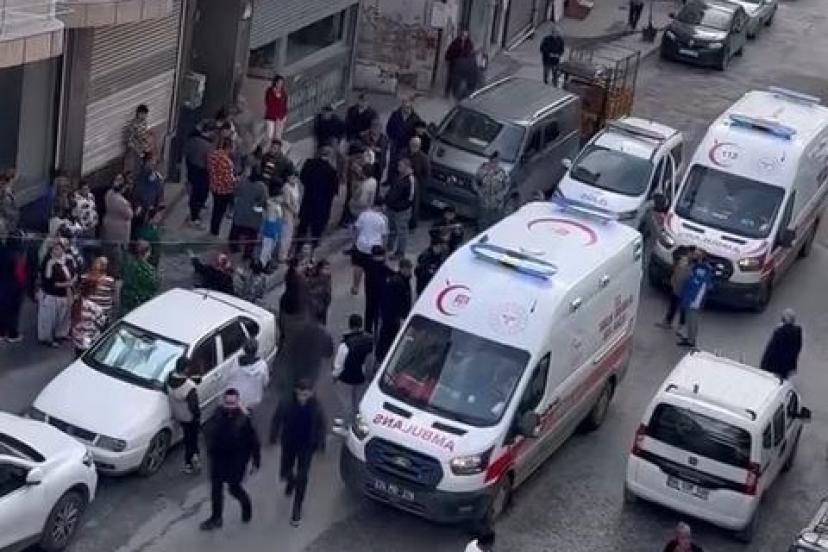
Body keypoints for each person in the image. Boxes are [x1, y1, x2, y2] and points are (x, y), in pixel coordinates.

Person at [200, 389, 260, 531]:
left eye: (233, 403)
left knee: (234, 489)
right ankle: (216, 518)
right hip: (218, 459)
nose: (230, 406)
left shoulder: (244, 420)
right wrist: (210, 448)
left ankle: (246, 508)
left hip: (235, 462)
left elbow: (254, 442)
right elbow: (208, 430)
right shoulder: (218, 413)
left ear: (238, 402)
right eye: (227, 403)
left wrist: (256, 461)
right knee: (216, 490)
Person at [269, 379, 326, 527]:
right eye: (300, 394)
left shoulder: (315, 407)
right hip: (289, 442)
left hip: (306, 446)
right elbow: (277, 418)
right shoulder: (287, 403)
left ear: (311, 393)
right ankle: (291, 481)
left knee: (303, 476)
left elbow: (321, 425)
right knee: (285, 470)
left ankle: (297, 509)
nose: (302, 398)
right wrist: (273, 435)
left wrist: (320, 444)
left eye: (305, 395)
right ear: (296, 392)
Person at [276, 316, 334, 403]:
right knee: (308, 388)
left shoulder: (297, 331)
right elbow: (328, 353)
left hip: (297, 367)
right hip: (312, 368)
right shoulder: (324, 335)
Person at [332, 314, 373, 432]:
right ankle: (350, 421)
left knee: (346, 402)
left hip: (346, 377)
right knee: (356, 401)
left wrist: (334, 376)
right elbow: (368, 359)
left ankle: (346, 427)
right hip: (360, 376)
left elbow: (339, 364)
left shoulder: (346, 344)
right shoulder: (368, 340)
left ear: (350, 325)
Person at [298, 146, 339, 250]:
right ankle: (313, 246)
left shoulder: (309, 164)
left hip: (308, 201)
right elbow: (334, 190)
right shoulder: (331, 171)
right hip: (321, 206)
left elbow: (302, 178)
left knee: (303, 226)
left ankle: (298, 246)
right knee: (316, 229)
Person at [167, 357, 202, 474]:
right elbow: (193, 406)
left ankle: (193, 457)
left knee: (188, 436)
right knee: (191, 439)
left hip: (177, 414)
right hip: (189, 417)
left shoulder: (169, 378)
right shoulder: (189, 387)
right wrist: (197, 415)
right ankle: (191, 460)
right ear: (186, 369)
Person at [37, 242, 74, 347]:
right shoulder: (48, 262)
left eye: (59, 249)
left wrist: (72, 283)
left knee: (63, 317)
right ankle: (47, 338)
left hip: (65, 294)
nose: (57, 251)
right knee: (49, 318)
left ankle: (60, 334)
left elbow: (75, 273)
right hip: (52, 294)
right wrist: (66, 284)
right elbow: (48, 281)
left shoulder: (68, 260)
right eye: (55, 249)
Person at [376, 258, 413, 362]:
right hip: (392, 316)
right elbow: (391, 301)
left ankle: (383, 356)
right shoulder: (397, 282)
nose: (409, 271)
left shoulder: (403, 280)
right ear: (402, 269)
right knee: (388, 337)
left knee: (388, 337)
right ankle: (382, 358)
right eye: (407, 269)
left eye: (409, 268)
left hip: (395, 316)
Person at [677, 250, 713, 349]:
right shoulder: (696, 267)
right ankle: (688, 337)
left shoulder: (704, 270)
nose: (694, 256)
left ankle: (691, 340)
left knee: (693, 320)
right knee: (689, 319)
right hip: (689, 297)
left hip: (694, 300)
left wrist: (696, 301)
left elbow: (702, 286)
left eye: (697, 255)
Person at [229, 167, 268, 259]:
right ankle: (247, 254)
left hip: (240, 213)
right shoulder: (262, 187)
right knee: (252, 237)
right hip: (253, 218)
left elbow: (235, 192)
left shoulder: (242, 182)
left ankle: (233, 247)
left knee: (235, 231)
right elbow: (263, 203)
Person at [351, 200, 388, 296]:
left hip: (361, 245)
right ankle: (371, 288)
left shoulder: (363, 215)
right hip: (375, 248)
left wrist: (354, 243)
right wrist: (384, 250)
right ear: (382, 206)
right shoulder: (383, 218)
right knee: (373, 270)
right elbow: (384, 236)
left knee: (358, 266)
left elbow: (356, 230)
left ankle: (355, 287)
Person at [100, 174, 133, 276]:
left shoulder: (109, 194)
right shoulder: (121, 201)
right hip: (119, 234)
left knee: (107, 255)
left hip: (107, 229)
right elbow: (129, 215)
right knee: (117, 260)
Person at [227, 338, 270, 414]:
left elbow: (231, 377)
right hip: (254, 398)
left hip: (239, 397)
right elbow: (265, 382)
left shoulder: (236, 363)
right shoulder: (262, 365)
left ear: (244, 349)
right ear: (256, 350)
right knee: (250, 413)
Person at [386, 158, 417, 259]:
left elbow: (410, 198)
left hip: (401, 211)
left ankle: (400, 252)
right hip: (392, 208)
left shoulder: (411, 180)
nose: (398, 167)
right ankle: (389, 247)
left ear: (407, 167)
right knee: (392, 229)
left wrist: (401, 207)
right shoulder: (399, 176)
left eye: (400, 165)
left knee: (402, 232)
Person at [185, 122, 214, 228]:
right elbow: (209, 162)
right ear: (210, 132)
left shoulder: (192, 140)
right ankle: (195, 217)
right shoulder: (208, 146)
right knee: (200, 194)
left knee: (194, 193)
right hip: (202, 172)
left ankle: (193, 214)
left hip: (192, 169)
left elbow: (187, 155)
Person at [760, 309, 803, 380]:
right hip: (789, 364)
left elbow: (771, 350)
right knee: (784, 378)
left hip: (776, 365)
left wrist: (763, 365)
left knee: (774, 380)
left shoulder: (779, 332)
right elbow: (798, 347)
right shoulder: (798, 330)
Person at [207, 139, 237, 236]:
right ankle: (215, 231)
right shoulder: (227, 162)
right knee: (220, 211)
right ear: (228, 148)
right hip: (224, 190)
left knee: (215, 209)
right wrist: (236, 180)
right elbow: (228, 179)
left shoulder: (213, 155)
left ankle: (213, 229)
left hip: (214, 187)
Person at [473, 151, 510, 230]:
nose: (495, 164)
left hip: (497, 203)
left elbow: (507, 185)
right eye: (493, 161)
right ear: (490, 160)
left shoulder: (502, 172)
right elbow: (475, 182)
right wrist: (479, 192)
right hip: (484, 202)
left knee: (495, 223)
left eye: (497, 162)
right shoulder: (482, 170)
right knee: (483, 222)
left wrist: (501, 195)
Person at [120, 240, 160, 314]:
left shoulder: (128, 265)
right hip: (141, 302)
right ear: (147, 253)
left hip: (127, 300)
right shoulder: (149, 269)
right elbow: (154, 285)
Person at [657, 248, 692, 331]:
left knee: (682, 308)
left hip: (683, 291)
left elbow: (685, 279)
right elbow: (675, 275)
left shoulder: (688, 269)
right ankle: (668, 322)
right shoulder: (680, 266)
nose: (681, 262)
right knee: (673, 306)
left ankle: (681, 325)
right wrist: (673, 283)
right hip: (676, 289)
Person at [70, 278, 107, 357]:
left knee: (78, 356)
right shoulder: (94, 307)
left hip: (77, 338)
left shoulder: (77, 301)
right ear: (93, 291)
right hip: (89, 339)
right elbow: (102, 323)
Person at [386, 98, 422, 178]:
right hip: (394, 143)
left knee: (401, 163)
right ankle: (389, 178)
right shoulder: (395, 114)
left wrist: (411, 145)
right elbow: (389, 127)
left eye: (408, 106)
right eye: (404, 106)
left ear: (411, 106)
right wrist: (391, 138)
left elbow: (417, 134)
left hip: (406, 146)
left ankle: (398, 180)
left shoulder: (416, 119)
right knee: (391, 162)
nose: (406, 108)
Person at [278, 258, 310, 349]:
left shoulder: (290, 275)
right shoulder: (298, 280)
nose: (304, 267)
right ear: (296, 267)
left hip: (286, 306)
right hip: (293, 309)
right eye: (302, 265)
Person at [0, 230, 25, 342]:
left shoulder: (2, 250)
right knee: (13, 311)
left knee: (2, 309)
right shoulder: (16, 255)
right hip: (13, 286)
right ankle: (12, 334)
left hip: (2, 283)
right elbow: (19, 274)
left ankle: (1, 333)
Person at [363, 245, 391, 335]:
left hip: (369, 293)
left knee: (369, 312)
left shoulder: (368, 263)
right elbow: (392, 273)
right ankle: (376, 331)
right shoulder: (381, 266)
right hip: (380, 293)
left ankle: (368, 330)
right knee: (378, 314)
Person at [81, 257, 116, 324]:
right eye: (100, 262)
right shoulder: (84, 278)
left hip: (103, 314)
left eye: (104, 264)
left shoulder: (110, 281)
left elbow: (113, 297)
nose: (102, 265)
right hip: (87, 313)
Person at [277, 174, 301, 262]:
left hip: (294, 213)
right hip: (287, 213)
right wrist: (294, 211)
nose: (294, 179)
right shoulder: (286, 187)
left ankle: (286, 253)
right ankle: (281, 256)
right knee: (285, 234)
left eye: (295, 177)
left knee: (290, 234)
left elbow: (297, 199)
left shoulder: (296, 186)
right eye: (292, 177)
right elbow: (287, 203)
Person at [408, 136, 431, 229]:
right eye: (412, 144)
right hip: (404, 181)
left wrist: (420, 184)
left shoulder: (423, 158)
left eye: (415, 145)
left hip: (416, 183)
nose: (413, 147)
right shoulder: (405, 153)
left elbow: (427, 173)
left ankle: (412, 223)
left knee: (415, 204)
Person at [445, 30, 476, 99]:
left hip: (462, 64)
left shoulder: (469, 44)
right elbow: (450, 50)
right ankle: (447, 92)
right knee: (450, 78)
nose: (463, 37)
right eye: (463, 36)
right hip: (454, 63)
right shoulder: (456, 42)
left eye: (465, 36)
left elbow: (470, 53)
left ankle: (456, 93)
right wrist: (448, 59)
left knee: (459, 80)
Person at [133, 154, 164, 218]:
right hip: (142, 207)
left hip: (151, 207)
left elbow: (159, 192)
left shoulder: (156, 177)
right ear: (146, 162)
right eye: (151, 161)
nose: (153, 164)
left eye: (154, 162)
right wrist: (139, 205)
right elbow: (138, 191)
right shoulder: (140, 176)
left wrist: (158, 205)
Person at [125, 104, 153, 176]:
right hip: (136, 150)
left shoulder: (144, 122)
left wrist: (148, 147)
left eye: (146, 115)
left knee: (145, 166)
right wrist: (138, 150)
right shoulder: (133, 125)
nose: (145, 116)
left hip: (145, 149)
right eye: (144, 114)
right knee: (137, 168)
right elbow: (130, 140)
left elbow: (146, 134)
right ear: (139, 113)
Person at [259, 196, 282, 270]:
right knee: (266, 249)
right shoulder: (274, 207)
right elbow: (273, 221)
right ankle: (262, 265)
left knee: (268, 249)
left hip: (270, 231)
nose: (282, 198)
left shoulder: (271, 205)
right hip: (270, 233)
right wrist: (275, 233)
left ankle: (266, 263)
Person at [307, 259, 332, 325]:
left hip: (323, 306)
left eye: (329, 269)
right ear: (320, 269)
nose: (328, 271)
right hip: (315, 307)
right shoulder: (315, 280)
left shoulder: (327, 278)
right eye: (326, 269)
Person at [264, 75, 288, 141]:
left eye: (282, 83)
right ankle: (266, 146)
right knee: (269, 135)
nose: (280, 84)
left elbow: (285, 105)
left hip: (280, 118)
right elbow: (268, 103)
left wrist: (284, 116)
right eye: (279, 82)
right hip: (271, 117)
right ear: (275, 82)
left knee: (278, 137)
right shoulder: (270, 91)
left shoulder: (283, 94)